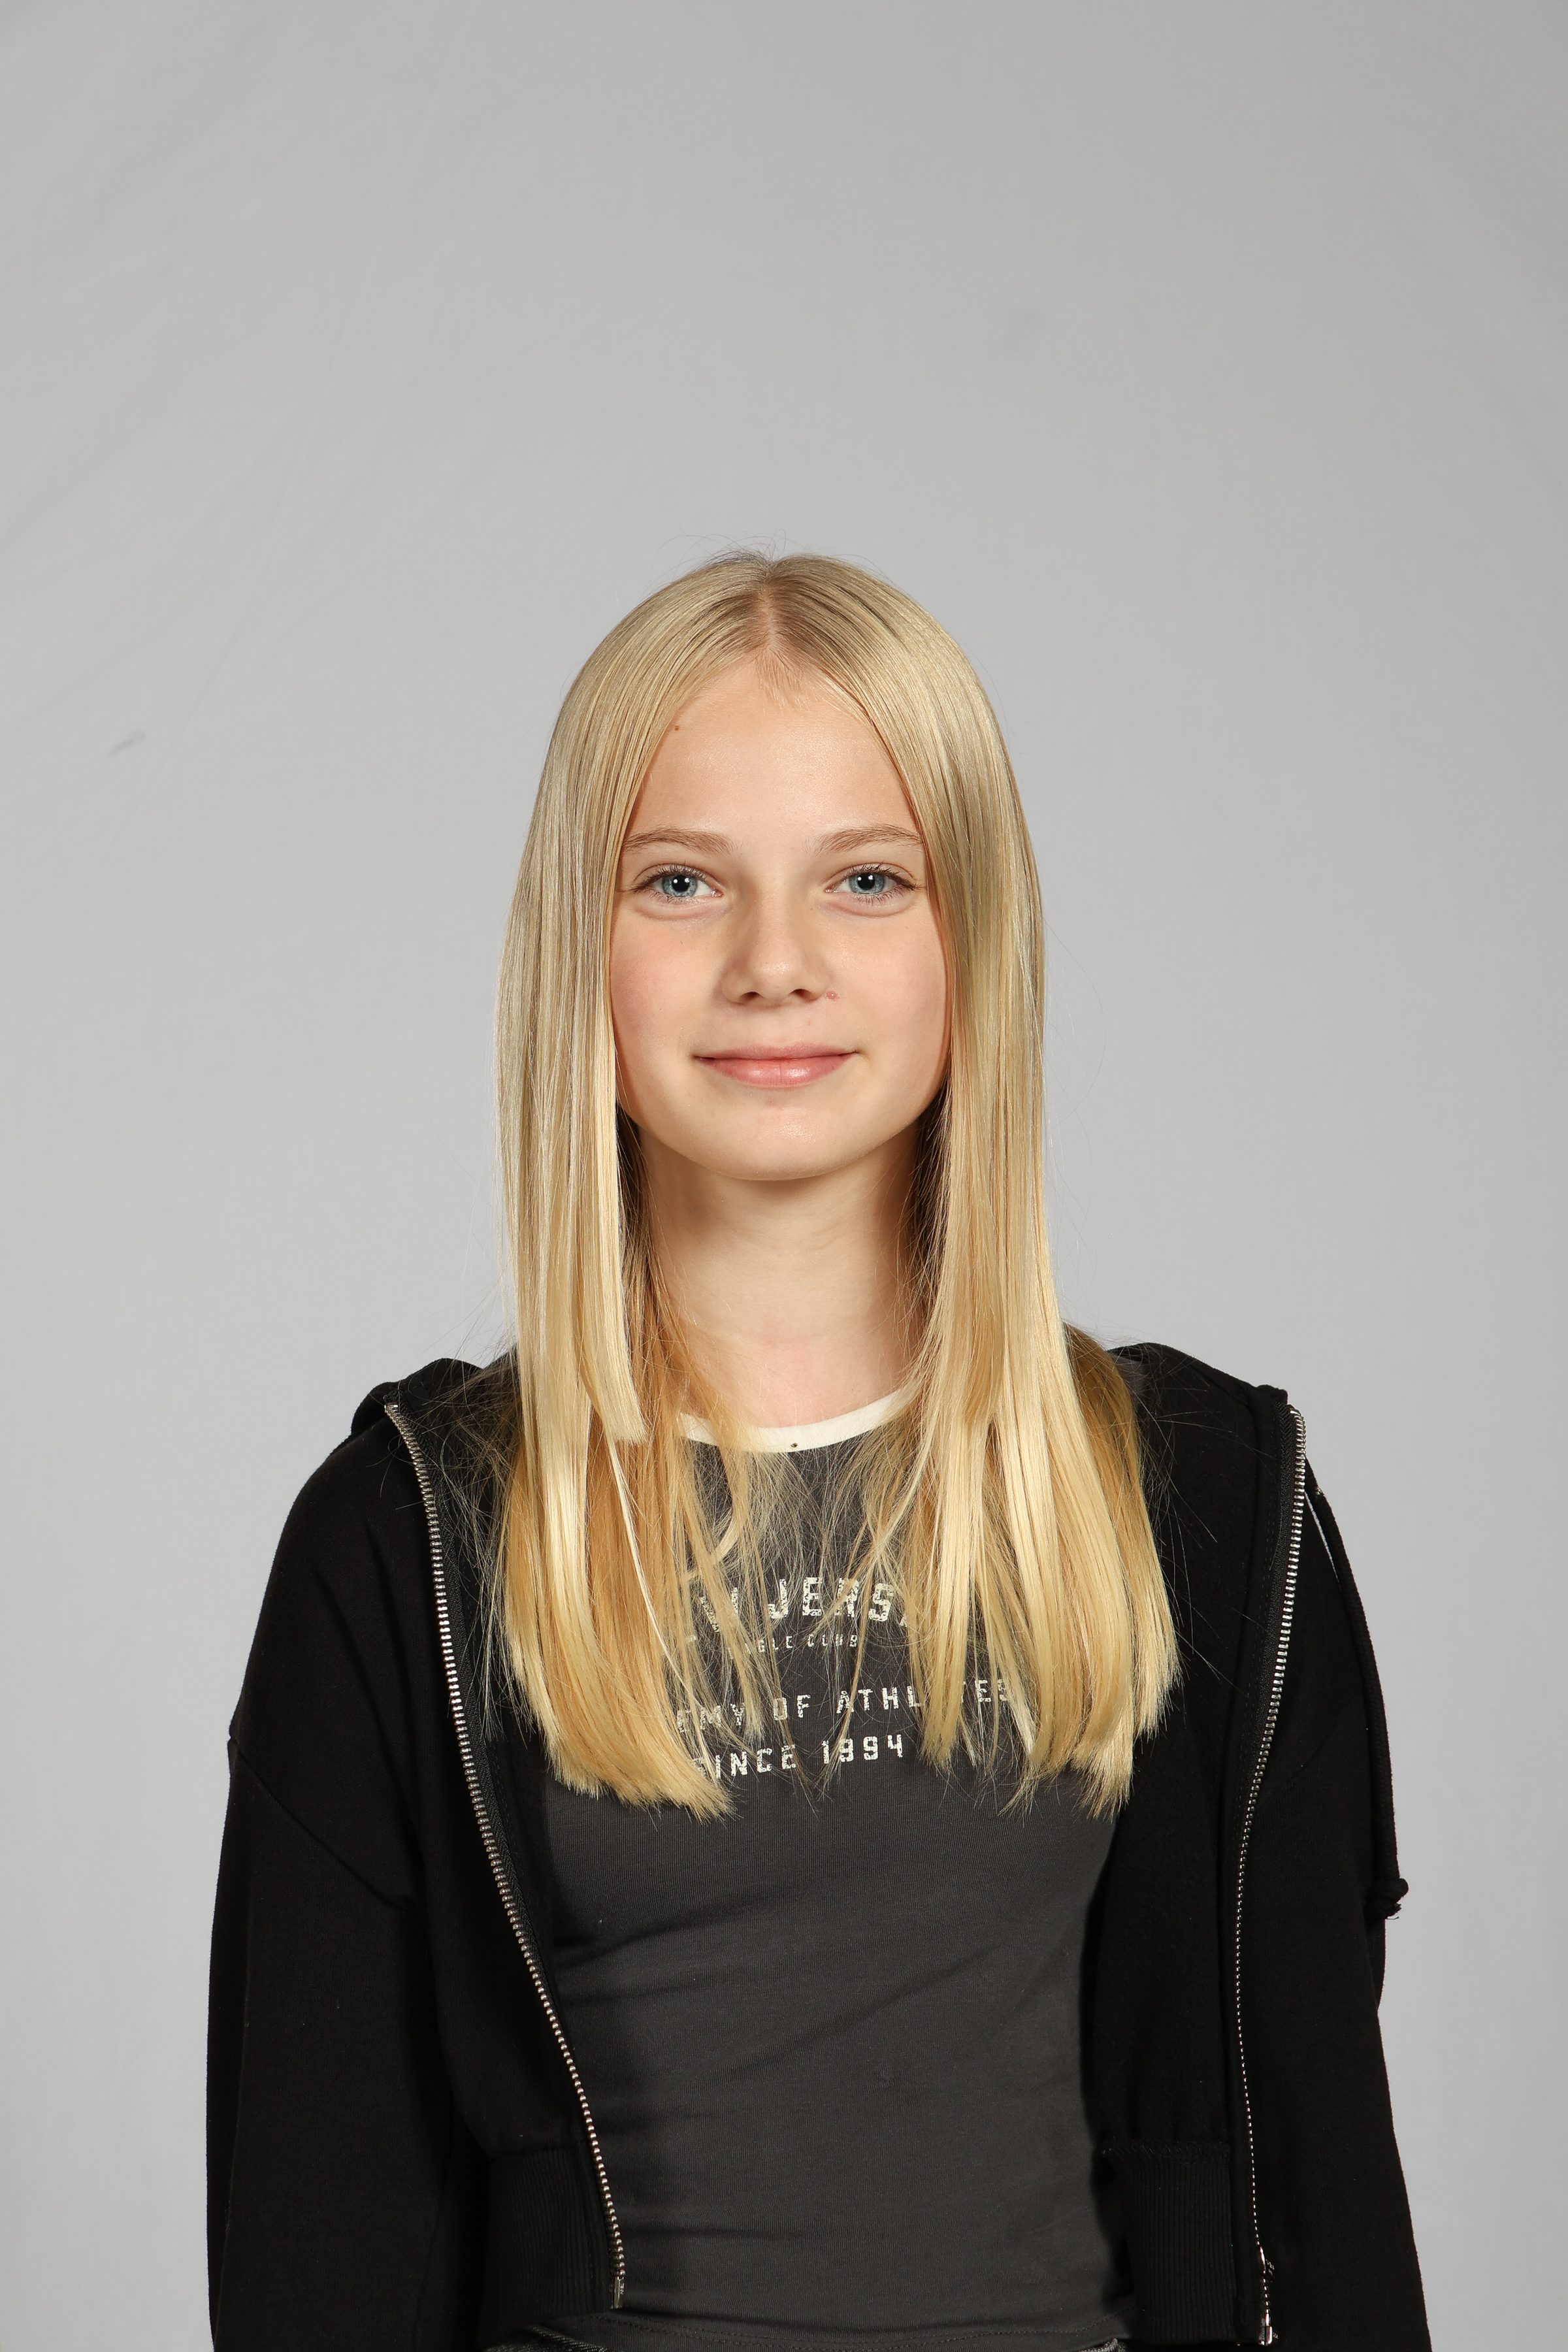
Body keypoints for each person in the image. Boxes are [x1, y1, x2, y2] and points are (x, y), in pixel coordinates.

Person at [206, 555, 1428, 2352]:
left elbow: (1321, 2200)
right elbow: (315, 2247)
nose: (774, 964)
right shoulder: (411, 1543)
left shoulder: (1205, 1503)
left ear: (973, 944)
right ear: (579, 957)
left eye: (867, 879)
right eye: (681, 881)